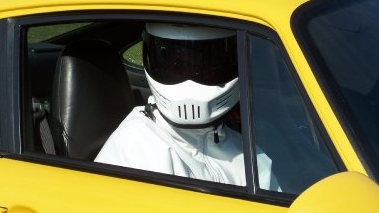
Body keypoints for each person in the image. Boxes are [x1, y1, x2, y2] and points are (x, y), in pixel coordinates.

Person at [95, 22, 279, 190]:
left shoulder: (244, 145)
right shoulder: (136, 144)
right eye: (177, 64)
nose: (190, 78)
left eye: (207, 64)